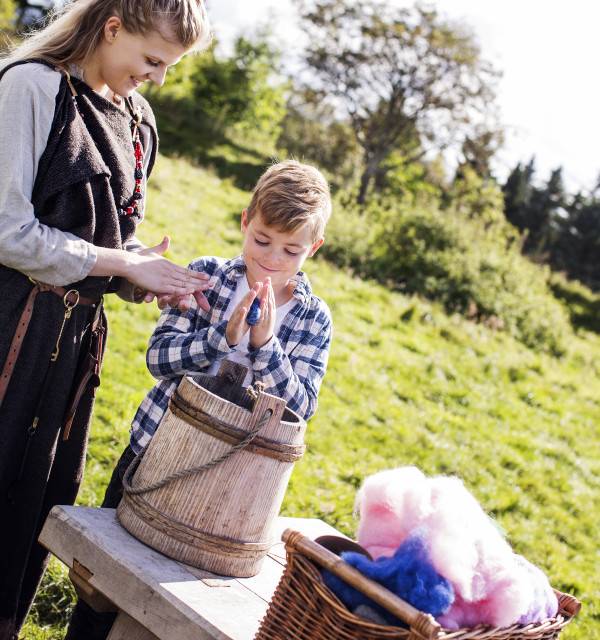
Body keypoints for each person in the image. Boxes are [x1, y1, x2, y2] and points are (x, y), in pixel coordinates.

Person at [0, 1, 213, 638]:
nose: (158, 78)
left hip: (72, 345)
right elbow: (8, 232)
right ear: (112, 28)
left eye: (169, 67)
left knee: (35, 493)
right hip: (10, 326)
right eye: (152, 60)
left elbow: (110, 234)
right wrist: (119, 259)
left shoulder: (137, 118)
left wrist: (144, 273)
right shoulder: (32, 87)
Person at [65, 159, 334, 639]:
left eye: (291, 250)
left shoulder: (314, 320)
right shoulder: (208, 276)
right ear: (246, 220)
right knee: (99, 586)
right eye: (262, 241)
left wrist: (265, 346)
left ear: (312, 248)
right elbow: (158, 358)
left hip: (232, 484)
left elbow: (303, 406)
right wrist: (221, 339)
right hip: (153, 452)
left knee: (176, 605)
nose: (271, 259)